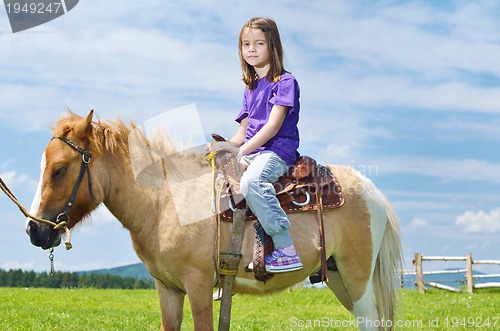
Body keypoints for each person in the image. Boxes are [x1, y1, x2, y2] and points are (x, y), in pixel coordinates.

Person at [210, 17, 302, 273]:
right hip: (253, 149)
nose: (251, 49)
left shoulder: (285, 82)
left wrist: (242, 151)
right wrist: (226, 147)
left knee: (252, 183)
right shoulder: (250, 88)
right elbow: (243, 131)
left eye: (258, 43)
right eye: (245, 44)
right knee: (216, 181)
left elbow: (271, 127)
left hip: (276, 150)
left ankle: (285, 248)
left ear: (272, 46)